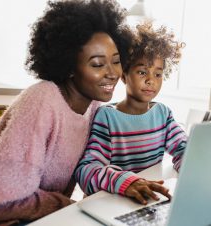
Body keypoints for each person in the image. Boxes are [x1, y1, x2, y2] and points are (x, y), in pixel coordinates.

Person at [0, 0, 132, 225]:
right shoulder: (42, 100)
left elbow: (91, 168)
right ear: (70, 67)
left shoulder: (93, 107)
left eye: (116, 61)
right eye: (97, 64)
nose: (112, 74)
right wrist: (65, 206)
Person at [75, 22, 187, 205]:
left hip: (146, 201)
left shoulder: (163, 114)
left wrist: (192, 169)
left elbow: (184, 149)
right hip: (113, 201)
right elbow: (87, 171)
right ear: (124, 75)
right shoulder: (107, 117)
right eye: (142, 72)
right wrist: (126, 181)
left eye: (158, 74)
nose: (151, 80)